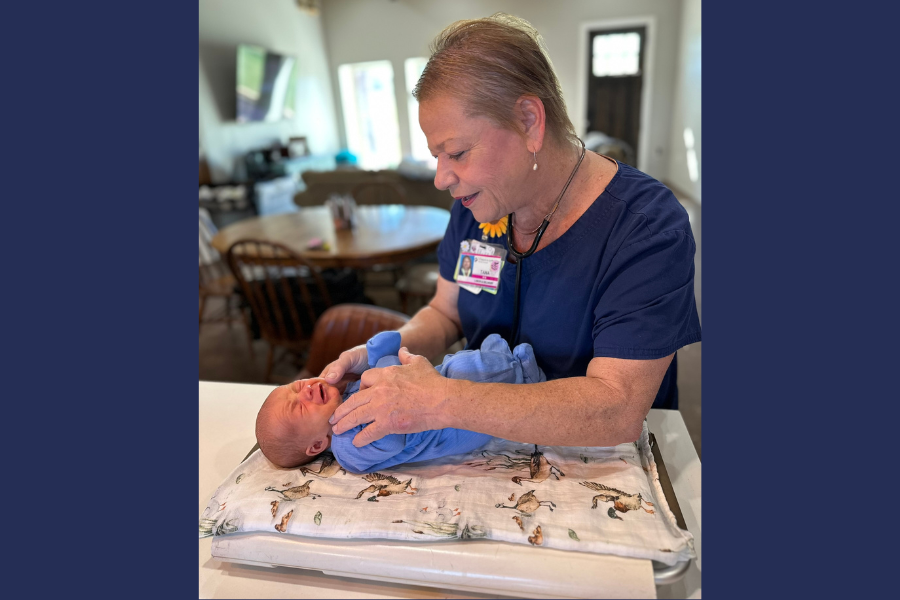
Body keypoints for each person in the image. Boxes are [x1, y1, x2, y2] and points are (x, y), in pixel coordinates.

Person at [322, 14, 701, 451]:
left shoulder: (644, 226)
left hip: (606, 466)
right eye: (437, 157)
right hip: (489, 452)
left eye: (457, 153)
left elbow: (615, 410)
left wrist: (442, 400)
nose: (441, 178)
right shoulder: (478, 206)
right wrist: (379, 355)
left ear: (528, 121)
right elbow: (447, 313)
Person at [255, 331, 545, 473]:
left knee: (454, 366)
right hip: (456, 428)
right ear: (317, 445)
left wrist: (374, 364)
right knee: (463, 371)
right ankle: (523, 371)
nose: (305, 389)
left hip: (445, 396)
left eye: (296, 386)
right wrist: (387, 361)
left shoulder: (346, 397)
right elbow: (390, 439)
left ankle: (504, 360)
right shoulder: (346, 449)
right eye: (299, 406)